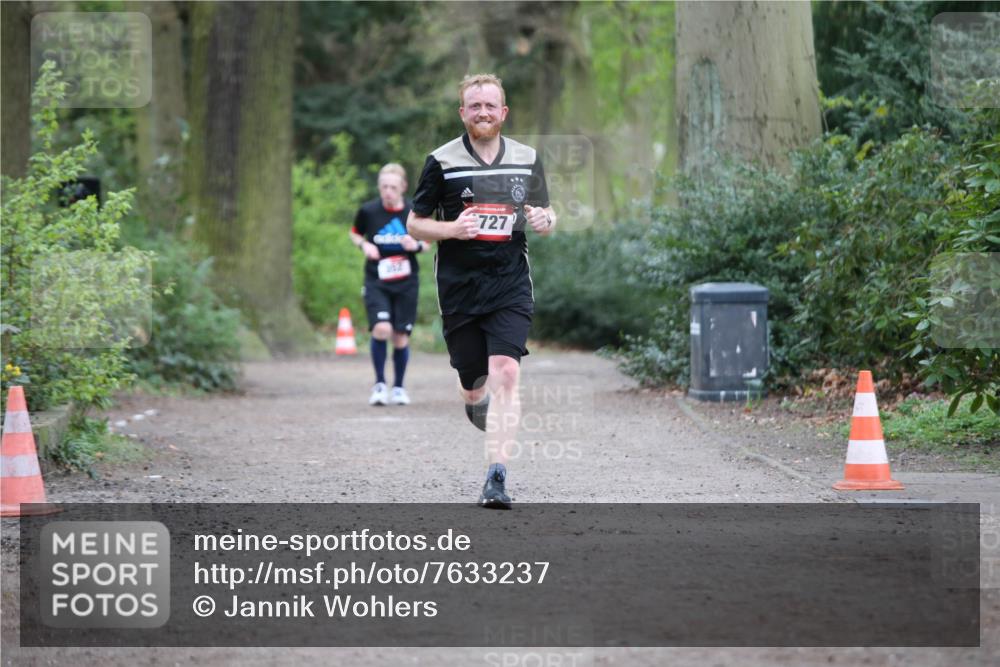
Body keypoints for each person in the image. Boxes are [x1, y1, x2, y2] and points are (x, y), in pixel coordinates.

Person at [407, 74, 556, 509]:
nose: (484, 113)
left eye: (491, 105)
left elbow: (543, 211)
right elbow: (415, 224)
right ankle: (477, 403)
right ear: (463, 113)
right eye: (475, 106)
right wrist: (452, 228)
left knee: (506, 371)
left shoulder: (527, 158)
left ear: (503, 112)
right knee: (474, 385)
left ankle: (496, 477)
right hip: (458, 288)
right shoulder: (441, 160)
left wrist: (548, 220)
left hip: (510, 282)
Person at [349, 163, 429, 406]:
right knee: (381, 329)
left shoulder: (414, 212)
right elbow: (354, 233)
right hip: (377, 280)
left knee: (400, 336)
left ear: (403, 187)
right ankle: (380, 384)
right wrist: (365, 245)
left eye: (393, 187)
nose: (388, 191)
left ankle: (399, 388)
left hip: (406, 282)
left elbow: (428, 242)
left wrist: (414, 246)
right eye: (384, 186)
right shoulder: (368, 211)